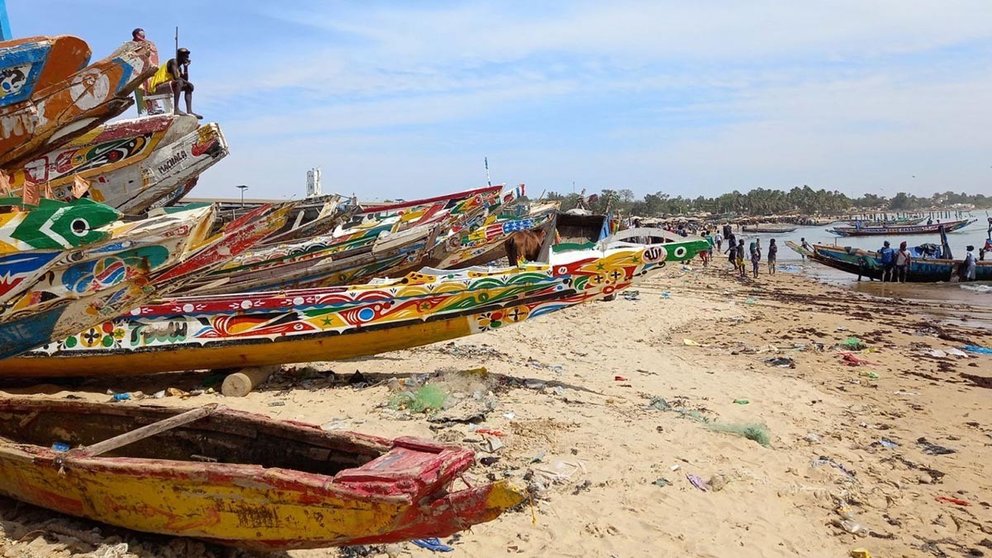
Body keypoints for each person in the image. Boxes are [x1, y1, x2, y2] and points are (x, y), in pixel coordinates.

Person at [147, 47, 203, 119]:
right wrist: (188, 83)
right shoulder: (173, 62)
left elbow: (185, 80)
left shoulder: (179, 68)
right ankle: (176, 109)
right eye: (185, 56)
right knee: (179, 82)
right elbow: (177, 78)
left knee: (188, 87)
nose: (187, 58)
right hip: (156, 88)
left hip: (166, 86)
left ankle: (189, 111)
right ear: (180, 56)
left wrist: (186, 68)